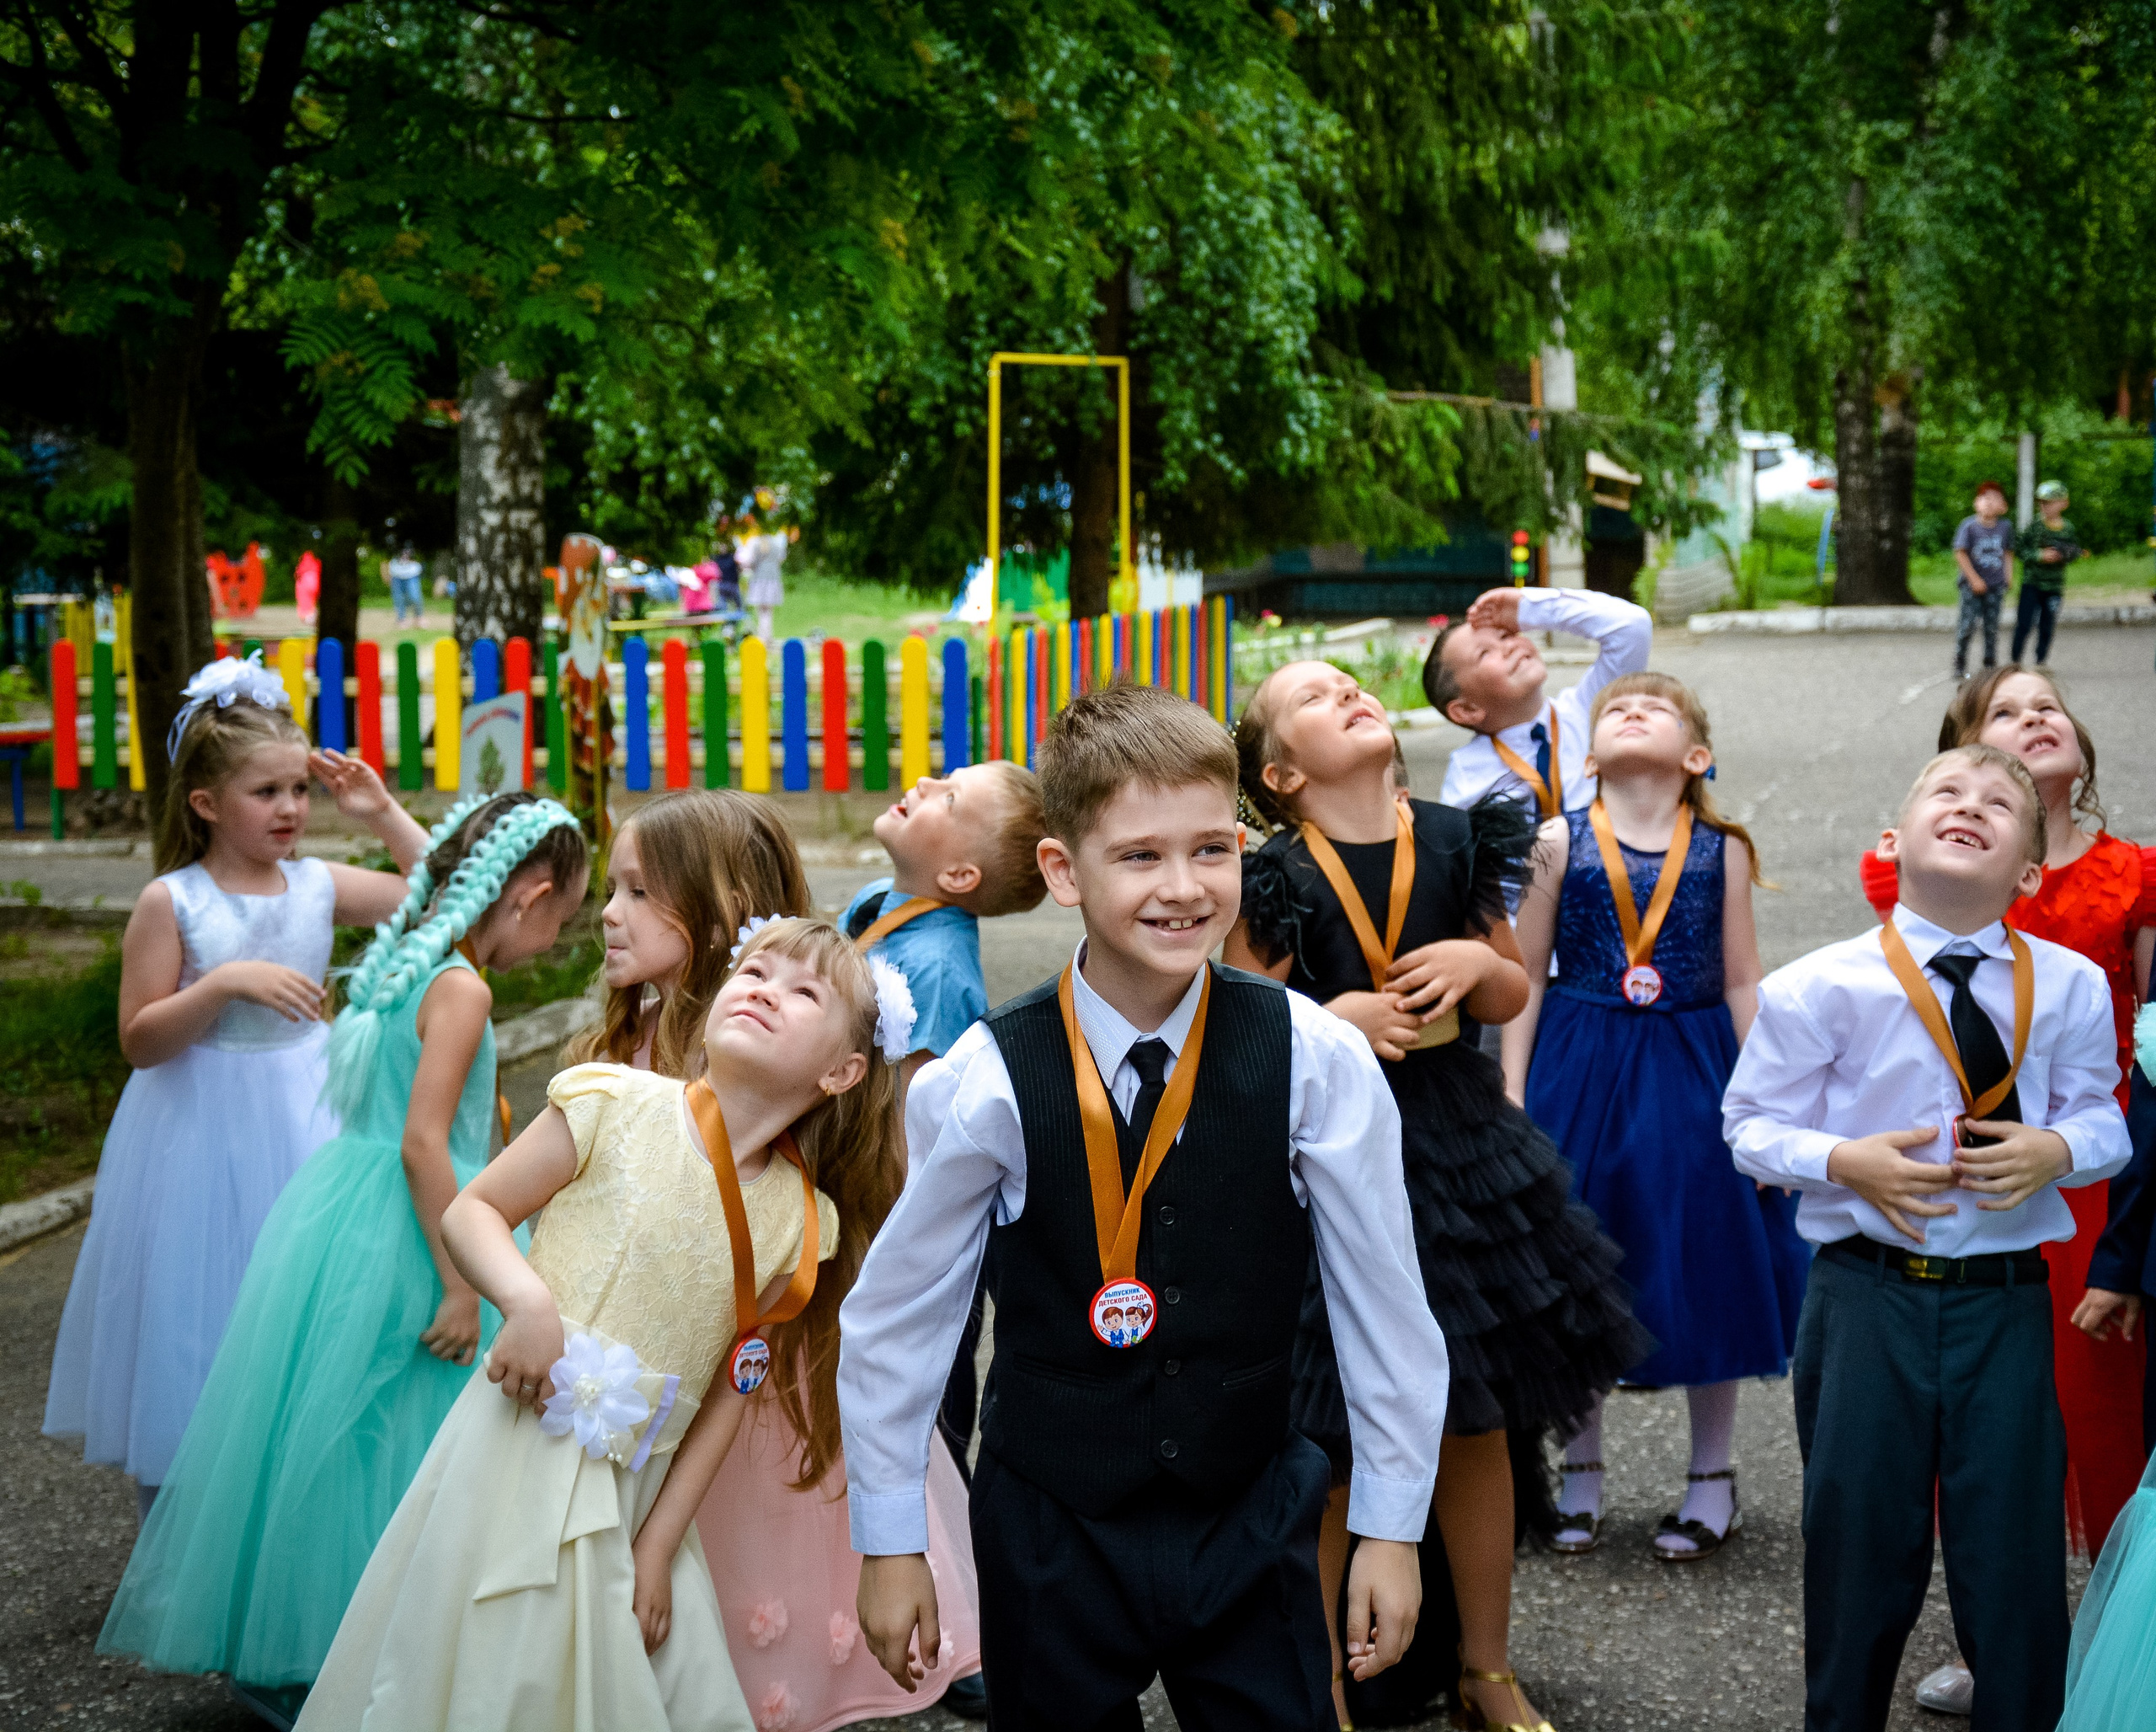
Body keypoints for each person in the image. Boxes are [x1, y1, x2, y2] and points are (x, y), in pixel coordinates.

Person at [838, 682, 1449, 1732]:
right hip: (1050, 1526)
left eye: (1212, 849)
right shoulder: (983, 1079)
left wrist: (1390, 1527)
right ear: (1062, 871)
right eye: (1139, 856)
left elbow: (1385, 1311)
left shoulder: (1315, 1057)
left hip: (1251, 1512)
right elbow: (900, 1320)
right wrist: (892, 1541)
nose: (1184, 887)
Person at [296, 917, 895, 1731]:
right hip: (514, 1456)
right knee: (490, 1669)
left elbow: (731, 1393)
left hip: (635, 1500)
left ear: (842, 1069)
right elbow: (474, 1211)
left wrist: (657, 1546)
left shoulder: (801, 1223)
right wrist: (526, 1302)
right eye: (755, 971)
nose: (765, 990)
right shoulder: (612, 1100)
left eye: (804, 991)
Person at [98, 794, 590, 1710]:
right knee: (412, 1441)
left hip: (343, 1214)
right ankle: (386, 1660)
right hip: (424, 1227)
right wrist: (458, 1281)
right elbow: (424, 1142)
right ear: (532, 892)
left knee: (339, 1444)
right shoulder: (465, 987)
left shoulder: (403, 963)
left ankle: (309, 1642)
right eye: (560, 922)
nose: (553, 943)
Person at [1229, 660, 1647, 1732]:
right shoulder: (1270, 873)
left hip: (1459, 1153)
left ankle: (1487, 1670)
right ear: (1279, 772)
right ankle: (1318, 1682)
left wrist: (1473, 957)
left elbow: (1512, 986)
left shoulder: (1460, 837)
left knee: (1474, 1419)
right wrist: (1336, 1022)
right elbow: (1236, 1023)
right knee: (1324, 1442)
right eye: (1317, 699)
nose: (1352, 694)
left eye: (1352, 684)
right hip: (1323, 1161)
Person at [1724, 744, 2132, 1732]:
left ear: (2028, 872)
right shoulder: (1821, 985)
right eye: (1945, 791)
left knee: (2016, 1561)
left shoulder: (2070, 985)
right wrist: (1843, 1161)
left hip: (2002, 1301)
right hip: (1864, 1300)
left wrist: (2054, 1145)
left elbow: (2106, 1122)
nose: (1971, 805)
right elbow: (1750, 1129)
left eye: (2000, 803)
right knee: (1859, 1552)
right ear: (1891, 841)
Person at [43, 655, 430, 1517]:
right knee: (199, 1304)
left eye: (299, 789)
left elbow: (442, 894)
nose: (292, 808)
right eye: (268, 792)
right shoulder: (172, 902)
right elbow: (140, 1039)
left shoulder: (318, 884)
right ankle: (185, 1522)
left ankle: (293, 1511)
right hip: (199, 1125)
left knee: (311, 1297)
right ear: (206, 803)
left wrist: (381, 810)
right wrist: (222, 983)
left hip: (311, 1116)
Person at [1852, 666, 2155, 1715]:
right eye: (2004, 711)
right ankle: (1999, 1639)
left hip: (2093, 1164)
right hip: (1977, 1179)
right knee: (1986, 1430)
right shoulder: (1927, 868)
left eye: (2049, 704)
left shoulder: (2136, 875)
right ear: (1961, 751)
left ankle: (2126, 1639)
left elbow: (2148, 1047)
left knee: (2108, 1410)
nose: (2035, 717)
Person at [1505, 673, 1807, 1564]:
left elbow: (1744, 974)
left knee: (1705, 1249)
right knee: (1586, 1259)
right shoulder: (1557, 841)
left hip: (1693, 1059)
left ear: (1696, 756)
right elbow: (1523, 971)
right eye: (1614, 711)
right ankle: (1582, 1463)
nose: (1633, 712)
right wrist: (1513, 1092)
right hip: (1581, 1056)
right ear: (1589, 756)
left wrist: (1767, 1093)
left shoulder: (1722, 849)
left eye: (1658, 709)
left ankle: (1711, 1472)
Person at [565, 788, 812, 1075]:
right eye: (611, 891)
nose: (608, 912)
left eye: (639, 892)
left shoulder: (751, 1059)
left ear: (723, 917)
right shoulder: (622, 1041)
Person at [1426, 584, 1653, 821]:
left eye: (1506, 635)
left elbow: (1632, 627)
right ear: (1466, 710)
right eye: (1484, 653)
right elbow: (1461, 853)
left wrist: (1529, 609)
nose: (1509, 646)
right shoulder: (1468, 773)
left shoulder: (1591, 710)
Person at [2014, 480, 2085, 667]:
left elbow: (2073, 551)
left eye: (2050, 502)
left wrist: (2066, 555)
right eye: (2042, 503)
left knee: (2047, 626)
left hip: (2054, 585)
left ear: (2064, 503)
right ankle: (2015, 662)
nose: (2045, 507)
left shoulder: (2068, 528)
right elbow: (2020, 549)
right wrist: (2040, 555)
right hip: (2032, 583)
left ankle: (2041, 662)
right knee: (2024, 624)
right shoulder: (2035, 526)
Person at [1951, 480, 2015, 679]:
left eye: (1994, 498)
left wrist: (2008, 575)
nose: (1988, 502)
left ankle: (1989, 664)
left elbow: (2007, 552)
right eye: (1984, 498)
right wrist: (1974, 580)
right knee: (1967, 625)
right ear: (1976, 503)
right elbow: (1960, 553)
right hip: (1972, 587)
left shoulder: (2005, 527)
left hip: (1995, 585)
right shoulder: (1969, 526)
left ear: (2003, 506)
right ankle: (1959, 663)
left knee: (1992, 627)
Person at [386, 543, 424, 627]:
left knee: (415, 597)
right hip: (396, 575)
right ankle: (401, 619)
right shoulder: (393, 542)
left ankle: (419, 618)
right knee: (399, 598)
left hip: (412, 574)